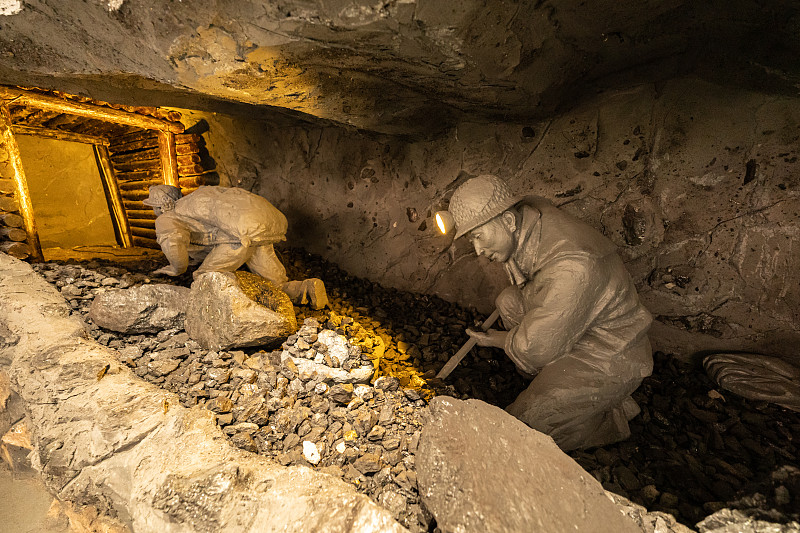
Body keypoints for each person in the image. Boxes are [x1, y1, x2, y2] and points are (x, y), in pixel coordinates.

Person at [447, 174, 653, 451]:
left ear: (508, 222)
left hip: (608, 352)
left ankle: (604, 414)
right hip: (576, 328)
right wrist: (498, 339)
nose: (478, 250)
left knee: (523, 427)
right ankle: (560, 387)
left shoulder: (573, 266)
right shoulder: (531, 221)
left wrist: (499, 340)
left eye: (479, 236)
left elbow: (536, 349)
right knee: (508, 300)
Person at [143, 184, 328, 309]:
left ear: (160, 207)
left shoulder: (167, 218)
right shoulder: (191, 207)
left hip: (235, 241)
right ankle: (307, 289)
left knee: (205, 279)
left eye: (153, 207)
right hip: (256, 236)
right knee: (276, 283)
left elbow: (173, 243)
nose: (153, 211)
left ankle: (239, 311)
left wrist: (176, 268)